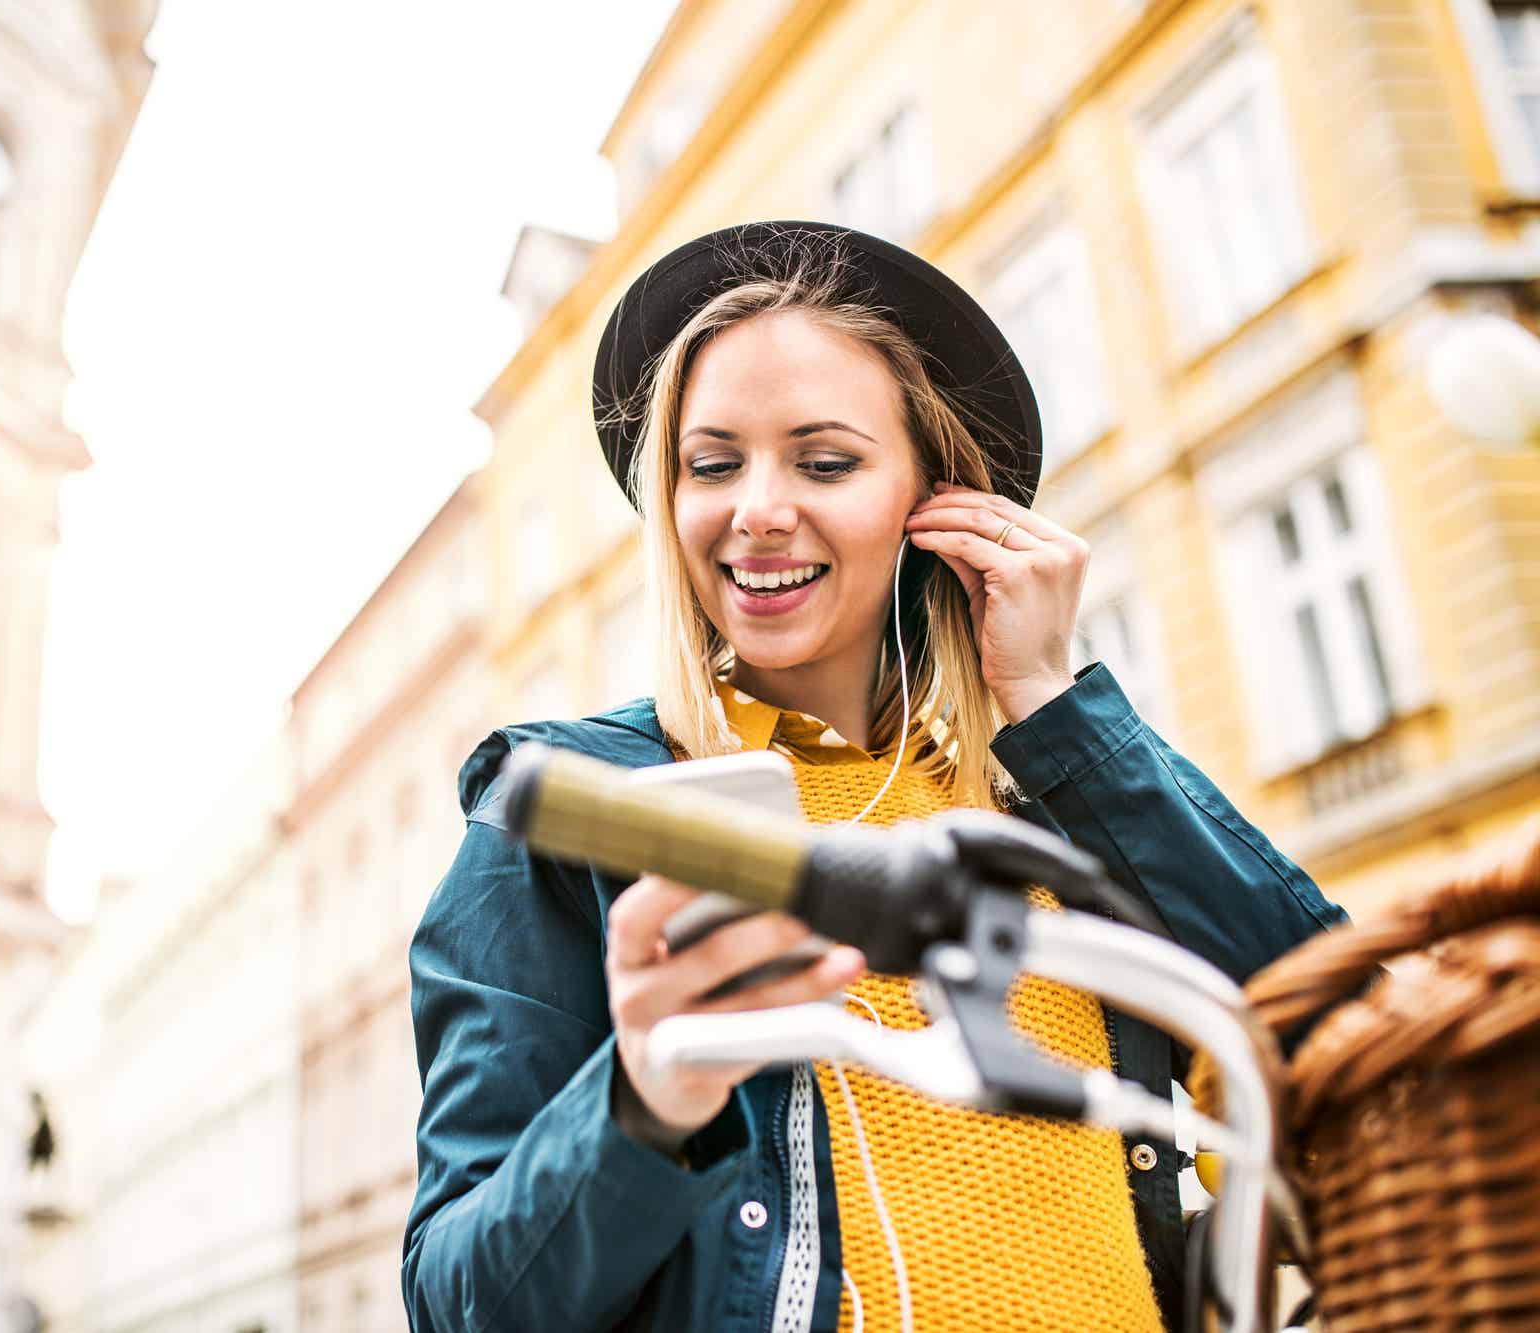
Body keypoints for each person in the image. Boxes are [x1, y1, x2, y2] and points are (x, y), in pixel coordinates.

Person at [403, 221, 1344, 1332]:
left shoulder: (1042, 810)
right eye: (710, 465)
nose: (754, 507)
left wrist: (1052, 703)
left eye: (824, 460)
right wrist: (642, 1098)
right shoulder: (574, 812)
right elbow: (458, 1301)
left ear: (933, 502)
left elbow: (1337, 1033)